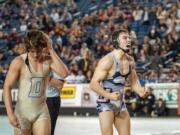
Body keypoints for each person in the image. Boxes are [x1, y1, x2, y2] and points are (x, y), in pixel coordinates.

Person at [3, 29, 69, 135]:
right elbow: (7, 87)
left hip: (41, 111)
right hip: (22, 112)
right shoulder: (18, 62)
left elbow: (64, 73)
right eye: (32, 51)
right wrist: (10, 113)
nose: (35, 54)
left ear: (43, 47)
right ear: (27, 49)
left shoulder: (48, 60)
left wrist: (51, 49)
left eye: (38, 50)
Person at [90, 29, 150, 135]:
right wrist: (109, 95)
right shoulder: (108, 60)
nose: (128, 40)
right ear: (116, 41)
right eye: (124, 38)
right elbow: (93, 84)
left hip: (120, 103)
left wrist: (141, 91)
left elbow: (134, 81)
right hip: (105, 103)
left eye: (129, 38)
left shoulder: (130, 60)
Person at [46, 70, 64, 135]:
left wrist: (46, 76)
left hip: (50, 99)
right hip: (35, 99)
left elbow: (60, 85)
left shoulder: (56, 66)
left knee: (48, 130)